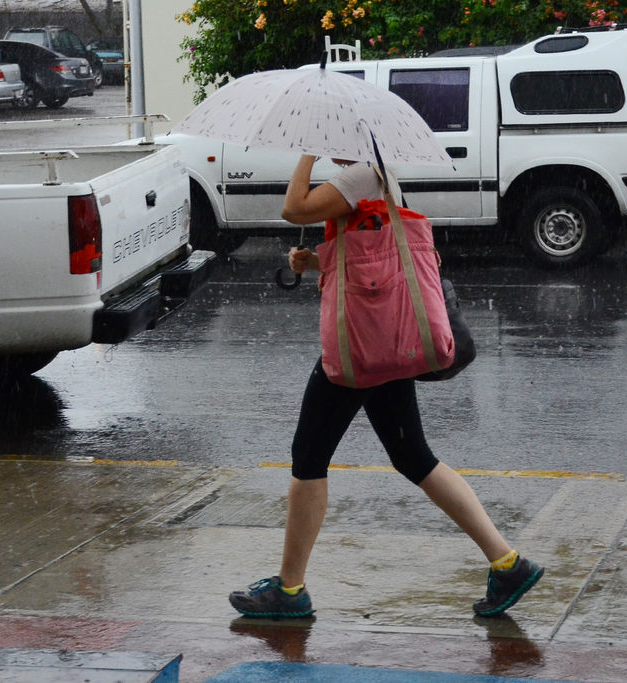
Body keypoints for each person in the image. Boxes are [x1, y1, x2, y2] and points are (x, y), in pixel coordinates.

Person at [228, 154, 542, 619]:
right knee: (413, 456)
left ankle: (290, 590)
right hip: (383, 336)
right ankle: (507, 563)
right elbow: (371, 255)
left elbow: (293, 208)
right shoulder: (377, 175)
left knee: (309, 456)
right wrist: (314, 262)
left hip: (362, 344)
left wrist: (305, 155)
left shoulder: (360, 175)